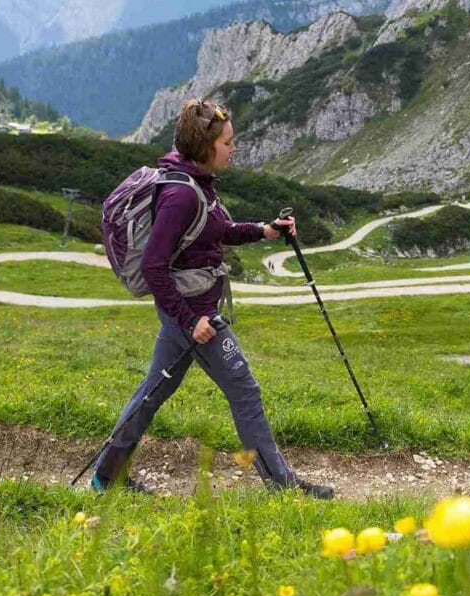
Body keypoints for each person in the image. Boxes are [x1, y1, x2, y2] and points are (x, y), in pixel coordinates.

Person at [92, 99, 334, 499]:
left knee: (153, 392)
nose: (233, 148)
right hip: (195, 316)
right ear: (205, 147)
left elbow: (216, 231)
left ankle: (107, 475)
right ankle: (283, 486)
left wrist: (264, 231)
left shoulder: (196, 182)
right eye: (227, 142)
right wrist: (190, 322)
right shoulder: (182, 195)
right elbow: (154, 266)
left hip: (190, 313)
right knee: (244, 389)